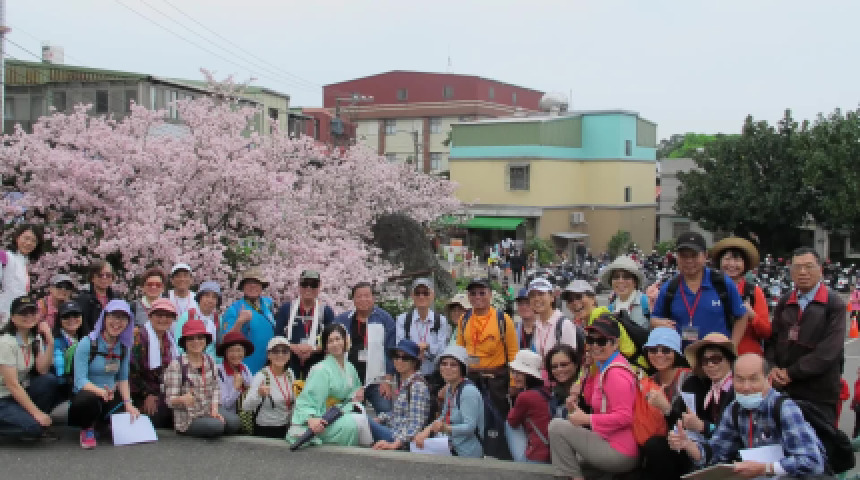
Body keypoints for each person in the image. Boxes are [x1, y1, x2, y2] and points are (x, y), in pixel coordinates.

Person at [668, 353, 828, 478]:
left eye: (753, 380)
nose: (746, 387)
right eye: (740, 380)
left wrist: (765, 468)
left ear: (768, 380)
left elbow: (812, 462)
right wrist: (688, 445)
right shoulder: (734, 409)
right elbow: (716, 453)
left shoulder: (784, 408)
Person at [548, 313, 639, 480]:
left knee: (556, 427)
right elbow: (591, 400)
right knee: (571, 459)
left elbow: (625, 417)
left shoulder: (615, 373)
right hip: (608, 441)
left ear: (615, 343)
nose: (595, 346)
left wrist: (587, 419)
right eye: (590, 340)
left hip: (619, 450)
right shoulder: (604, 365)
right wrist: (587, 371)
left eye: (601, 341)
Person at [765, 246, 846, 425]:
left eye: (809, 266)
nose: (802, 272)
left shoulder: (834, 304)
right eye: (797, 267)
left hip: (819, 395)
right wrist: (772, 367)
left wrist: (791, 373)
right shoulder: (785, 302)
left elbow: (828, 352)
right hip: (784, 391)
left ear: (820, 270)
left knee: (819, 439)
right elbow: (772, 341)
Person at [652, 232, 752, 349]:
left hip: (716, 355)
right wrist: (658, 323)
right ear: (677, 257)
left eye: (694, 255)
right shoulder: (669, 288)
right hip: (681, 355)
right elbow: (654, 319)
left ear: (705, 256)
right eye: (684, 256)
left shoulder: (722, 283)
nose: (689, 261)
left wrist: (732, 346)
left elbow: (742, 315)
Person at [68, 299, 139, 449]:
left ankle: (100, 424)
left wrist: (128, 403)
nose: (117, 322)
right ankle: (87, 428)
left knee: (131, 415)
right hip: (88, 395)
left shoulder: (124, 347)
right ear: (104, 317)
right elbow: (80, 381)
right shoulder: (87, 343)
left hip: (110, 397)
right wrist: (101, 392)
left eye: (122, 318)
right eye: (113, 316)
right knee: (87, 401)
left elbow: (123, 378)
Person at [287, 323, 366, 448]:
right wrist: (311, 418)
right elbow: (307, 399)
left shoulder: (350, 367)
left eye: (338, 339)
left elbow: (355, 389)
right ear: (325, 346)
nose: (335, 344)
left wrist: (358, 393)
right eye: (330, 341)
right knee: (354, 423)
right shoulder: (321, 369)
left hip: (341, 411)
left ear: (345, 340)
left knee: (361, 418)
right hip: (323, 418)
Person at [163, 318, 240, 437]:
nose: (196, 341)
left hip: (208, 409)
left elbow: (215, 388)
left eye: (200, 337)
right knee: (217, 426)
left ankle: (212, 423)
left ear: (205, 340)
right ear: (185, 342)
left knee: (235, 423)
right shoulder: (176, 365)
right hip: (189, 417)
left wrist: (214, 410)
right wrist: (182, 399)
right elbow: (169, 400)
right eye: (191, 338)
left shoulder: (210, 360)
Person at [456, 278, 517, 419]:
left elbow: (513, 353)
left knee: (497, 420)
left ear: (490, 295)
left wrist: (513, 382)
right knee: (471, 419)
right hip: (471, 379)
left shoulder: (503, 319)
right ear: (468, 297)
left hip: (496, 381)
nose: (477, 297)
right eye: (473, 293)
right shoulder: (464, 319)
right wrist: (457, 379)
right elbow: (459, 352)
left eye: (482, 293)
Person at [0, 295, 59, 439]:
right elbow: (12, 384)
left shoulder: (33, 338)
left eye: (32, 312)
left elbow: (42, 370)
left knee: (49, 380)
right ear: (13, 318)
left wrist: (50, 342)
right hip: (3, 397)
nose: (29, 316)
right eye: (23, 313)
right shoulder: (6, 343)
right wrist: (37, 413)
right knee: (34, 428)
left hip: (17, 393)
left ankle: (26, 418)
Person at [639, 327, 693, 480]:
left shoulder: (689, 380)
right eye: (653, 350)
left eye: (666, 350)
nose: (659, 354)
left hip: (686, 447)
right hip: (654, 446)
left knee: (655, 446)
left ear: (676, 353)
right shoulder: (648, 382)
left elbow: (692, 426)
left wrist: (667, 409)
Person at [336, 282, 396, 414]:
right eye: (359, 296)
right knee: (351, 416)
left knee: (386, 413)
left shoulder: (384, 319)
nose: (363, 299)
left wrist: (387, 381)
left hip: (377, 381)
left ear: (373, 298)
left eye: (367, 296)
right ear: (353, 299)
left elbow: (391, 351)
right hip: (349, 381)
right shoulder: (343, 320)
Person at [413, 345, 484, 458]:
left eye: (453, 365)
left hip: (466, 453)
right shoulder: (451, 388)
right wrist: (425, 431)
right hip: (450, 447)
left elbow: (470, 427)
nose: (447, 368)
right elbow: (443, 416)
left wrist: (446, 428)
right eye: (444, 364)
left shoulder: (468, 391)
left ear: (462, 368)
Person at [710, 237, 771, 355]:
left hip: (747, 358)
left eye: (737, 260)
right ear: (720, 262)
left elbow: (766, 332)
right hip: (715, 355)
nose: (732, 264)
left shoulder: (754, 292)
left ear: (745, 264)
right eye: (727, 259)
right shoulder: (709, 289)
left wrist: (752, 316)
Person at [369, 339, 431, 451]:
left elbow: (416, 425)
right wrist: (379, 418)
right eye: (396, 357)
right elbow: (398, 414)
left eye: (405, 358)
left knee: (360, 420)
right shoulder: (405, 382)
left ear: (414, 362)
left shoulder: (417, 386)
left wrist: (395, 444)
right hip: (393, 431)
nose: (399, 361)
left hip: (398, 438)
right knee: (361, 419)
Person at [273, 270, 335, 381]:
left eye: (313, 285)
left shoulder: (326, 311)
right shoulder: (287, 308)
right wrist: (294, 347)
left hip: (317, 362)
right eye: (305, 284)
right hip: (289, 360)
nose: (308, 288)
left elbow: (331, 340)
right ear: (299, 285)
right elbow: (277, 336)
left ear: (319, 287)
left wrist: (313, 349)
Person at [129, 298, 178, 429]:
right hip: (139, 393)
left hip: (162, 392)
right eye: (159, 315)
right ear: (150, 316)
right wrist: (147, 394)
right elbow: (131, 372)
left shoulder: (169, 338)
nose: (163, 319)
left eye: (168, 316)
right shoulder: (138, 338)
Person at [679, 333, 737, 443]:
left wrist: (703, 426)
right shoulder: (708, 388)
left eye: (716, 359)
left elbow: (732, 433)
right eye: (705, 361)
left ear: (729, 360)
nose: (710, 365)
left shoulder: (737, 389)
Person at [222, 267, 276, 373]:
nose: (253, 286)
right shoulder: (234, 309)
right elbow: (225, 340)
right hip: (247, 366)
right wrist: (239, 322)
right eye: (249, 283)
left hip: (269, 364)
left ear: (262, 286)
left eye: (256, 282)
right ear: (243, 286)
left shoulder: (268, 304)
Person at [395, 278, 451, 377]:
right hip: (409, 375)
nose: (421, 296)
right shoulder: (403, 319)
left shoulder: (440, 320)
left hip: (434, 375)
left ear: (432, 295)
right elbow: (400, 347)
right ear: (412, 295)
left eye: (426, 293)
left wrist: (428, 347)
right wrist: (417, 349)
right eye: (417, 293)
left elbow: (442, 351)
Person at [506, 349, 552, 463]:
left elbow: (512, 421)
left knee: (507, 424)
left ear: (529, 375)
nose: (514, 376)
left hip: (535, 458)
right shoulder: (546, 391)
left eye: (519, 373)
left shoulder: (525, 396)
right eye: (514, 372)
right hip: (550, 454)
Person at [244, 337, 295, 439]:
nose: (280, 355)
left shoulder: (290, 373)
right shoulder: (261, 376)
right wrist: (258, 394)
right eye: (275, 351)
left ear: (289, 355)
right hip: (266, 429)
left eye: (285, 351)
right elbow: (246, 406)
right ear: (269, 355)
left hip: (287, 426)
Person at [527, 278, 578, 374]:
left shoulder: (564, 324)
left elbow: (571, 362)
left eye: (541, 294)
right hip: (542, 379)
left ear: (552, 297)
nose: (536, 298)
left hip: (560, 379)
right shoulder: (537, 324)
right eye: (532, 295)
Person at [0, 225, 44, 327]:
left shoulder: (24, 263)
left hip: (17, 316)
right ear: (17, 238)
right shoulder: (5, 257)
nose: (29, 243)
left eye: (33, 241)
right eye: (26, 238)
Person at [601, 255, 650, 329]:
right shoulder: (610, 309)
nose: (620, 281)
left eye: (626, 277)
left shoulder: (646, 302)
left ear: (635, 282)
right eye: (616, 277)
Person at [52, 301, 87, 402]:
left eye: (76, 315)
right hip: (65, 390)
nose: (71, 319)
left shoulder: (87, 339)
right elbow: (60, 373)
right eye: (66, 316)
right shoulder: (55, 341)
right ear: (59, 320)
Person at [174, 281, 220, 358]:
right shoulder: (187, 316)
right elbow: (178, 343)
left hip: (212, 362)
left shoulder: (217, 319)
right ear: (199, 297)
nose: (210, 300)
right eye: (207, 296)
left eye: (214, 297)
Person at [75, 260, 121, 334]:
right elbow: (83, 325)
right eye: (100, 275)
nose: (104, 278)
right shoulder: (83, 298)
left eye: (108, 275)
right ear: (92, 278)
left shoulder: (116, 298)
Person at [214, 331, 253, 415]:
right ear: (225, 353)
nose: (236, 354)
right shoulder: (218, 371)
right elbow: (224, 405)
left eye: (239, 350)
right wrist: (236, 388)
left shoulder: (245, 368)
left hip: (246, 414)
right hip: (228, 416)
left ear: (244, 352)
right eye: (231, 351)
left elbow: (252, 391)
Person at [545, 343, 582, 419]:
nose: (559, 369)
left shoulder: (586, 389)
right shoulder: (554, 393)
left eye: (564, 365)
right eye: (554, 367)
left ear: (575, 365)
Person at [853, 367, 860, 438]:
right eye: (858, 373)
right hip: (858, 405)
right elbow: (856, 394)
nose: (858, 374)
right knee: (857, 423)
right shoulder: (857, 382)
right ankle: (855, 437)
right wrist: (853, 403)